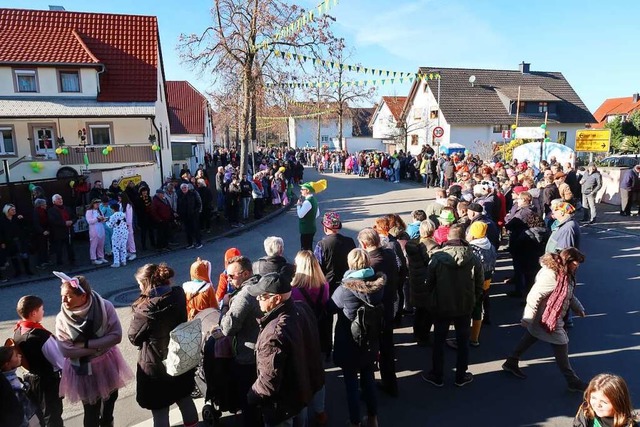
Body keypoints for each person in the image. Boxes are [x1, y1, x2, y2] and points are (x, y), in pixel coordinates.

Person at [502, 248, 587, 392]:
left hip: (549, 315)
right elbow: (534, 296)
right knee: (561, 342)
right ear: (567, 261)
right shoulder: (551, 275)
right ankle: (572, 380)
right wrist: (527, 318)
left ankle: (511, 361)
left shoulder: (565, 274)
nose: (577, 266)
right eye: (575, 262)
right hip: (547, 318)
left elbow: (568, 294)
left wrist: (578, 308)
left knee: (531, 336)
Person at [54, 272, 133, 426]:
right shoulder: (61, 318)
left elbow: (116, 337)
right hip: (83, 370)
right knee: (91, 410)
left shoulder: (104, 307)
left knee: (109, 405)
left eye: (68, 296)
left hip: (106, 365)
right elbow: (66, 351)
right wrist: (100, 346)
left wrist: (84, 345)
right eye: (62, 296)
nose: (63, 300)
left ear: (83, 296)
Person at [247, 272, 325, 427]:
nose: (257, 299)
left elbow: (268, 382)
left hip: (282, 405)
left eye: (262, 296)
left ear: (276, 299)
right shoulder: (302, 308)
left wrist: (251, 396)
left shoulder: (273, 334)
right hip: (301, 393)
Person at [128, 263, 199, 427]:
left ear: (147, 283)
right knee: (184, 398)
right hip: (179, 356)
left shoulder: (145, 310)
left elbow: (134, 338)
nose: (139, 287)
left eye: (140, 283)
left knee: (160, 410)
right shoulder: (178, 294)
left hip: (156, 365)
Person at [422, 224, 484, 388]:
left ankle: (437, 375)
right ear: (464, 237)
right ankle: (461, 375)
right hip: (464, 306)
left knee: (439, 340)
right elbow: (479, 284)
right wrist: (472, 299)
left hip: (441, 305)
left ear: (448, 237)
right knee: (463, 341)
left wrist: (432, 300)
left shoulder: (437, 257)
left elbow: (429, 283)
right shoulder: (474, 257)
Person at [329, 248, 384, 427]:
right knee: (369, 380)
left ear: (351, 264)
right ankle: (373, 418)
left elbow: (330, 307)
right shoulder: (378, 284)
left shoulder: (345, 288)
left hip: (350, 341)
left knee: (351, 384)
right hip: (370, 339)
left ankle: (355, 422)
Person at [218, 255, 263, 426]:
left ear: (245, 274)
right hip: (262, 350)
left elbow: (228, 327)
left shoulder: (244, 295)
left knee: (249, 401)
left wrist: (224, 307)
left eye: (231, 276)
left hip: (247, 356)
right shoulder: (261, 283)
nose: (228, 280)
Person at [357, 227, 399, 398]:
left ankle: (367, 388)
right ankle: (391, 384)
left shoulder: (370, 265)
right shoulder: (389, 253)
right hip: (389, 306)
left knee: (369, 349)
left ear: (364, 244)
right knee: (387, 347)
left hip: (375, 312)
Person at [290, 250, 330, 425]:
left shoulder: (293, 290)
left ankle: (303, 416)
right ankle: (320, 411)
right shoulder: (324, 285)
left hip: (301, 334)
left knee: (302, 375)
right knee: (318, 372)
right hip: (319, 333)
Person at [13, 295, 64, 427]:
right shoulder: (41, 336)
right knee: (53, 416)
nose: (44, 311)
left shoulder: (18, 331)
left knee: (39, 416)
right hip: (47, 382)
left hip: (30, 379)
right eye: (42, 309)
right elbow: (59, 361)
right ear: (34, 313)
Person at [405, 219, 438, 346]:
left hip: (415, 281)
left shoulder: (412, 244)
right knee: (428, 312)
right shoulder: (431, 246)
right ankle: (424, 337)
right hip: (426, 282)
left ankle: (416, 334)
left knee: (419, 310)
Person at [314, 212, 357, 295]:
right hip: (349, 282)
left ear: (325, 228)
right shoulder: (350, 241)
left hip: (329, 285)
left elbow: (317, 266)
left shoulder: (322, 245)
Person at [574, 373, 639, 427]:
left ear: (618, 402)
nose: (597, 405)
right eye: (593, 398)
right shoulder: (586, 411)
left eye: (604, 402)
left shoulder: (628, 425)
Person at [0, 345, 43, 426]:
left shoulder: (8, 378)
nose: (20, 356)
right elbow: (22, 406)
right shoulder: (12, 384)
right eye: (16, 356)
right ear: (7, 364)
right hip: (27, 420)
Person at [0, 203, 33, 278]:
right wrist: (2, 242)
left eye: (14, 209)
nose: (14, 211)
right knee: (14, 256)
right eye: (12, 210)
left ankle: (28, 270)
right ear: (7, 211)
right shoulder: (2, 220)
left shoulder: (17, 218)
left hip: (20, 239)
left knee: (24, 255)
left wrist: (22, 220)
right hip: (10, 241)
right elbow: (1, 232)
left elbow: (25, 226)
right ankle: (18, 271)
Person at [48, 195, 76, 267]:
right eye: (58, 199)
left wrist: (72, 221)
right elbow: (53, 221)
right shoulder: (51, 210)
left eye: (61, 198)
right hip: (59, 232)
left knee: (70, 247)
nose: (60, 200)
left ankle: (72, 261)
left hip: (69, 231)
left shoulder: (68, 208)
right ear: (54, 201)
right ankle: (59, 263)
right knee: (59, 248)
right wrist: (64, 223)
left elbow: (74, 217)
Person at [297, 180, 326, 250]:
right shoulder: (313, 199)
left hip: (306, 229)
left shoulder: (307, 202)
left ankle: (307, 260)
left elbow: (300, 215)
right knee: (309, 247)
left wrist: (298, 205)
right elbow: (317, 213)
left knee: (305, 249)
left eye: (302, 189)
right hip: (312, 228)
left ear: (307, 190)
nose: (301, 191)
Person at [178, 183, 203, 249]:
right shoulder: (180, 196)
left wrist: (196, 211)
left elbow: (199, 203)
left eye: (185, 187)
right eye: (182, 188)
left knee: (196, 229)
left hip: (193, 215)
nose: (184, 189)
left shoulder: (193, 193)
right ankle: (190, 243)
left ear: (188, 188)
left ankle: (199, 243)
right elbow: (179, 205)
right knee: (188, 230)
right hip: (185, 216)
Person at [106, 203, 128, 268]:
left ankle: (116, 262)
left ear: (113, 209)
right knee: (123, 247)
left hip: (117, 233)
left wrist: (106, 221)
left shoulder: (113, 216)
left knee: (115, 248)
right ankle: (123, 261)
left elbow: (110, 225)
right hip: (124, 232)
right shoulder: (123, 214)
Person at [32, 198, 51, 270]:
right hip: (39, 233)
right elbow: (36, 223)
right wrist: (42, 231)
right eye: (44, 204)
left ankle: (45, 260)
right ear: (41, 205)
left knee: (45, 247)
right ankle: (40, 263)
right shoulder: (36, 212)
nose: (46, 205)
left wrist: (47, 230)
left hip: (45, 231)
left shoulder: (44, 211)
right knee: (40, 248)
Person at [119, 192, 137, 261]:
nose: (119, 199)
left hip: (127, 225)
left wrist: (128, 224)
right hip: (121, 225)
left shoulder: (128, 205)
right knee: (124, 239)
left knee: (130, 238)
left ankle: (133, 252)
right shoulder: (120, 204)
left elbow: (129, 217)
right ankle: (127, 251)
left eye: (120, 198)